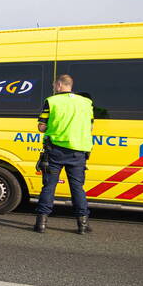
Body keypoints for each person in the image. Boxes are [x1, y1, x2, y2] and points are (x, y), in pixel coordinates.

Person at [34, 74, 94, 234]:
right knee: (77, 188)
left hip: (55, 150)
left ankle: (41, 223)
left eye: (54, 85)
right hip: (79, 152)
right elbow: (90, 127)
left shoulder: (52, 101)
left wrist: (54, 128)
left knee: (49, 186)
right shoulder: (86, 103)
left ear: (59, 85)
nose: (54, 88)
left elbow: (41, 126)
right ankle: (82, 224)